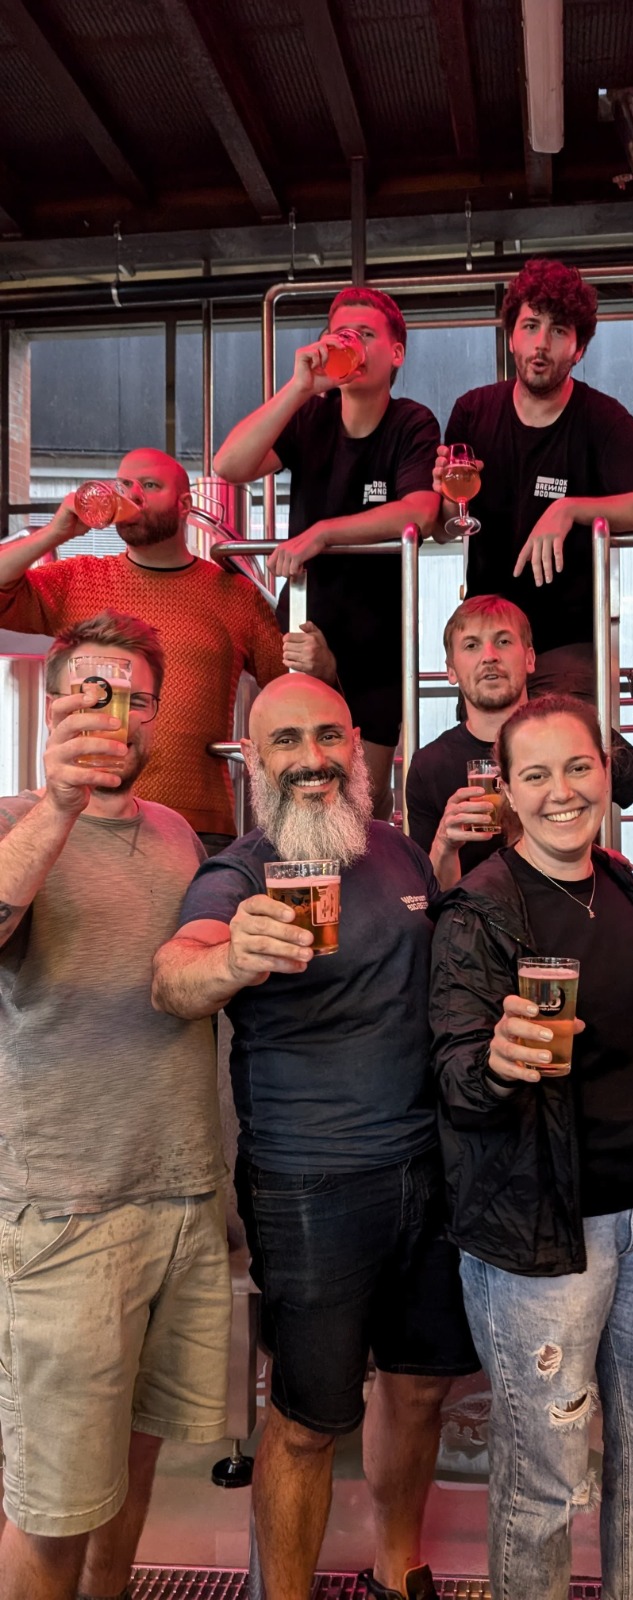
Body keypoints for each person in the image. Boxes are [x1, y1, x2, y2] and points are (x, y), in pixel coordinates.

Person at [151, 672, 478, 1600]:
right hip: (310, 1189)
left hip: (429, 1167)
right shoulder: (240, 871)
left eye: (326, 737)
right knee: (305, 1419)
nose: (310, 760)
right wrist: (227, 958)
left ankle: (396, 1566)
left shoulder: (398, 853)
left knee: (419, 1389)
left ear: (357, 744)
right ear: (255, 761)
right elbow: (174, 979)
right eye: (285, 742)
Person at [429, 694, 633, 1600]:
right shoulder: (480, 909)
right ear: (504, 789)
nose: (560, 792)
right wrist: (500, 1063)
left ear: (608, 773)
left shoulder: (623, 883)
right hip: (547, 1231)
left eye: (578, 768)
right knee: (547, 1479)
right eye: (535, 775)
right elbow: (456, 1077)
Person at [0, 610, 230, 1600]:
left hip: (179, 1200)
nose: (114, 714)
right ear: (52, 704)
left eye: (134, 696)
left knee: (136, 1472)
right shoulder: (12, 819)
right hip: (64, 1211)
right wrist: (55, 803)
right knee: (53, 1511)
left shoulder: (179, 833)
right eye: (92, 691)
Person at [214, 286, 441, 819]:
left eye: (365, 335)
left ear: (396, 352)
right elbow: (229, 464)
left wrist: (322, 532)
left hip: (376, 643)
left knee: (364, 798)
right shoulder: (312, 416)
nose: (351, 345)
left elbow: (421, 511)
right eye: (340, 335)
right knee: (295, 787)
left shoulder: (412, 421)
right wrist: (298, 388)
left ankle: (368, 897)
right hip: (302, 632)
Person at [0, 447, 285, 855]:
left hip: (199, 824)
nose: (132, 496)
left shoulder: (234, 594)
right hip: (88, 816)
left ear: (184, 504)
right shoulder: (79, 578)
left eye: (149, 486)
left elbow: (289, 685)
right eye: (124, 486)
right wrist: (55, 532)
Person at [430, 257, 633, 699]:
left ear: (578, 349)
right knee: (489, 761)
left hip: (569, 641)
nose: (541, 344)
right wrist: (445, 495)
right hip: (490, 635)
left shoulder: (604, 418)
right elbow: (447, 528)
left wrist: (570, 508)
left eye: (558, 331)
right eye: (531, 326)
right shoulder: (473, 411)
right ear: (511, 336)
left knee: (556, 753)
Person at [407, 593, 633, 901]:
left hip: (573, 926)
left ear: (530, 658)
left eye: (504, 642)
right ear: (451, 669)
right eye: (471, 645)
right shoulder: (429, 764)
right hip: (481, 940)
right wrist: (444, 844)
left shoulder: (575, 735)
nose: (490, 656)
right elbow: (432, 900)